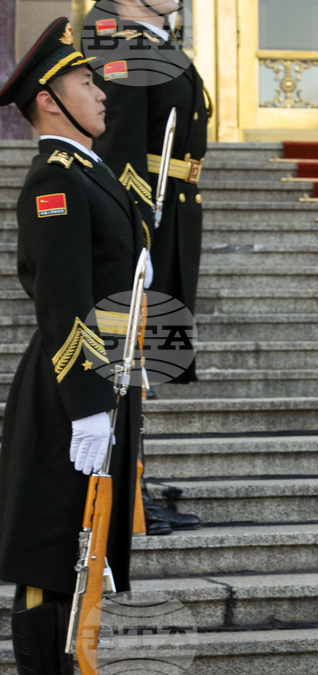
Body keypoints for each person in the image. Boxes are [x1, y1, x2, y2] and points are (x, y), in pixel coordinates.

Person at [0, 17, 147, 672]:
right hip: (69, 391)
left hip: (105, 381)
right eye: (84, 82)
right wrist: (88, 404)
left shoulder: (92, 174)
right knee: (53, 553)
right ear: (47, 101)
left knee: (86, 558)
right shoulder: (54, 181)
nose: (100, 92)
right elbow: (63, 301)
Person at [83, 0, 206, 534]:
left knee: (143, 362)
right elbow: (118, 146)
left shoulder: (151, 38)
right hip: (149, 217)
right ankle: (118, 494)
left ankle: (132, 486)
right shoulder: (113, 37)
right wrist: (133, 231)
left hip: (175, 216)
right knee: (125, 357)